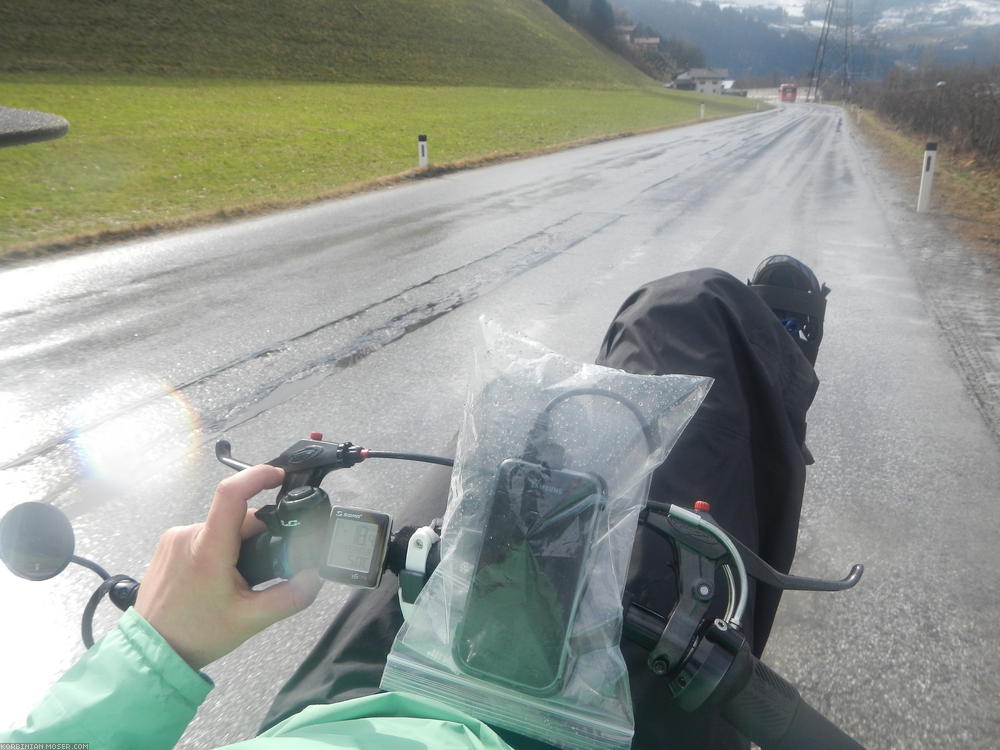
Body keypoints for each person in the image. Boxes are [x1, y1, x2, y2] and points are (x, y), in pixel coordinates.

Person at [1, 257, 828, 750]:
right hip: (558, 725)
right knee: (693, 312)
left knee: (498, 469)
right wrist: (151, 652)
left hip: (343, 722)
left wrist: (156, 653)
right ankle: (770, 357)